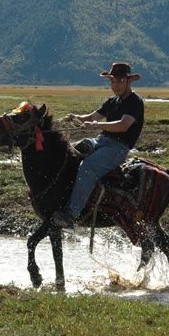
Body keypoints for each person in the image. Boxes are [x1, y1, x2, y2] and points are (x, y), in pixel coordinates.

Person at [52, 61, 145, 228]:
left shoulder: (135, 102)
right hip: (101, 141)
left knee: (87, 167)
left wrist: (96, 126)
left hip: (118, 148)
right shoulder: (112, 101)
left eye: (119, 81)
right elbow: (91, 117)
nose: (115, 85)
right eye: (112, 82)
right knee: (71, 150)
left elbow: (123, 125)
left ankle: (72, 215)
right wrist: (75, 117)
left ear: (128, 81)